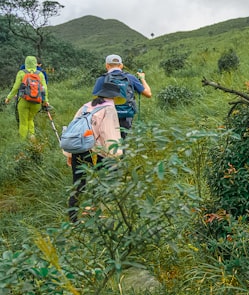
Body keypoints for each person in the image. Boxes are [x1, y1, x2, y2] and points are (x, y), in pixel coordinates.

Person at [63, 81, 124, 223]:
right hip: (97, 152)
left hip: (79, 149)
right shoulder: (109, 109)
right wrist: (116, 155)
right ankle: (101, 214)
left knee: (78, 184)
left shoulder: (86, 106)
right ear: (114, 97)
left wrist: (70, 154)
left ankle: (73, 220)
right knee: (102, 181)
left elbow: (74, 130)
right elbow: (110, 135)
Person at [92, 54, 152, 138]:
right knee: (123, 140)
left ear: (107, 65)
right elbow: (148, 94)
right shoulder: (130, 78)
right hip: (126, 115)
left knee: (109, 140)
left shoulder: (101, 79)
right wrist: (142, 78)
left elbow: (96, 101)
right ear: (121, 65)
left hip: (108, 115)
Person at [4, 55, 50, 140]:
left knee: (23, 122)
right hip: (36, 102)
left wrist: (8, 98)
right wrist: (45, 100)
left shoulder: (21, 72)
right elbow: (44, 88)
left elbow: (16, 87)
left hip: (23, 101)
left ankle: (23, 141)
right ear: (35, 63)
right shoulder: (40, 74)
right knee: (30, 119)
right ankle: (32, 137)